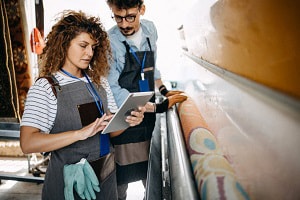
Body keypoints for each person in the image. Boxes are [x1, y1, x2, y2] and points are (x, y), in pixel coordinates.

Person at [20, 10, 146, 200]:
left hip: (105, 175)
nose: (89, 53)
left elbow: (109, 131)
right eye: (83, 45)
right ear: (64, 44)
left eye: (93, 47)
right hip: (70, 182)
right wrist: (80, 134)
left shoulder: (100, 82)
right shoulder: (47, 88)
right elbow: (28, 143)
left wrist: (127, 120)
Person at [106, 0, 188, 199]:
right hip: (124, 118)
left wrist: (163, 90)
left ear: (142, 9)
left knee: (150, 175)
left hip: (147, 114)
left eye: (130, 17)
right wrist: (157, 107)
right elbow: (112, 87)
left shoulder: (150, 29)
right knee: (121, 179)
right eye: (118, 17)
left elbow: (151, 65)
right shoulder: (109, 41)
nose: (124, 24)